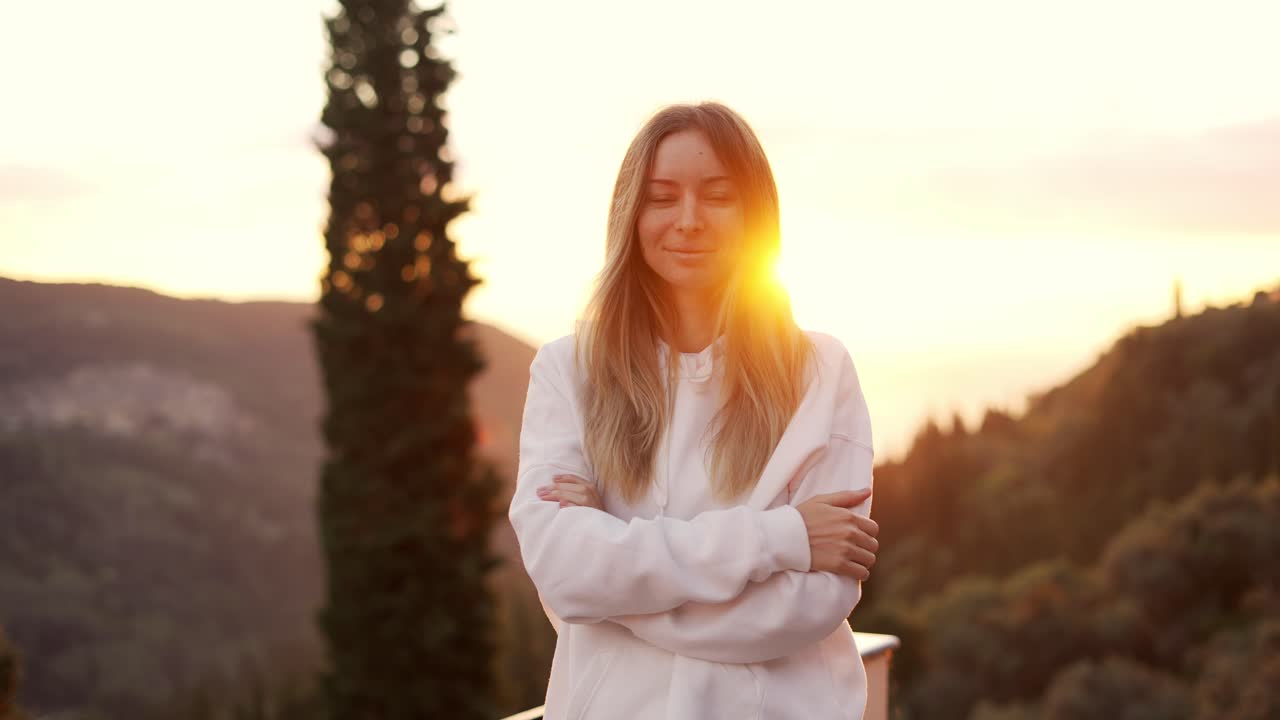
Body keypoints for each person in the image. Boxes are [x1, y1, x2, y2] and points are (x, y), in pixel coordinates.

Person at [508, 101, 880, 720]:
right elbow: (564, 570)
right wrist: (783, 536)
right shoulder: (566, 371)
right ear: (631, 214)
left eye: (717, 196)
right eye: (661, 197)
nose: (688, 220)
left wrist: (614, 583)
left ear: (754, 214)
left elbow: (808, 606)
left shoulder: (821, 371)